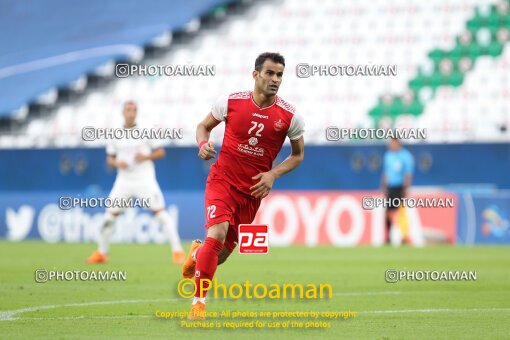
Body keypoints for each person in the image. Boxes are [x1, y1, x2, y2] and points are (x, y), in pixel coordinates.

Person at [183, 52, 305, 319]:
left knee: (222, 253)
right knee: (216, 235)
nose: (275, 79)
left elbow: (297, 155)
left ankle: (196, 255)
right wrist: (203, 145)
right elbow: (203, 127)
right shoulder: (230, 102)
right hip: (222, 181)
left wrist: (273, 175)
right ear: (256, 75)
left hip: (251, 193)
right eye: (270, 73)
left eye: (280, 75)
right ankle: (198, 303)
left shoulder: (289, 117)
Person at [86, 101, 185, 264]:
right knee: (109, 218)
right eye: (128, 110)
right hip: (123, 180)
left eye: (134, 110)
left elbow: (161, 152)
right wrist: (117, 163)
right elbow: (109, 159)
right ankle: (101, 253)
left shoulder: (146, 129)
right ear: (123, 112)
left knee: (161, 215)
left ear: (137, 113)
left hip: (144, 178)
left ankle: (178, 251)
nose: (131, 113)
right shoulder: (115, 133)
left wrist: (145, 157)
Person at [381, 137, 414, 244]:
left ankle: (404, 236)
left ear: (397, 143)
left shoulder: (406, 156)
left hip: (400, 187)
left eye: (392, 142)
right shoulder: (388, 156)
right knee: (388, 212)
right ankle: (388, 236)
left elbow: (408, 173)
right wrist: (384, 187)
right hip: (391, 187)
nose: (391, 144)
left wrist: (406, 188)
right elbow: (386, 173)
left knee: (401, 211)